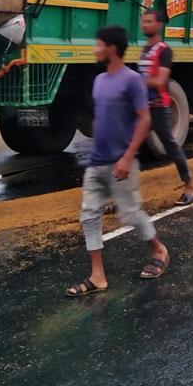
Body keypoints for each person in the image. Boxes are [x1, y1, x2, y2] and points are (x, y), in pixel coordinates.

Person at [66, 25, 169, 297]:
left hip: (121, 163)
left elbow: (145, 119)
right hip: (96, 162)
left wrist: (126, 156)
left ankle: (159, 249)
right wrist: (91, 146)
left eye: (98, 44)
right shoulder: (99, 80)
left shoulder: (132, 80)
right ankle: (97, 276)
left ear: (111, 48)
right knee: (89, 215)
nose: (94, 49)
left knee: (130, 214)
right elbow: (102, 117)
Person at [139, 10, 193, 206]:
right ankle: (123, 196)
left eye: (149, 21)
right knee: (126, 147)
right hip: (143, 108)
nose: (144, 24)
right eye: (143, 21)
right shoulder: (145, 49)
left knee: (171, 146)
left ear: (159, 25)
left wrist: (137, 82)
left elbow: (161, 80)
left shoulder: (164, 50)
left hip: (158, 107)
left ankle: (189, 186)